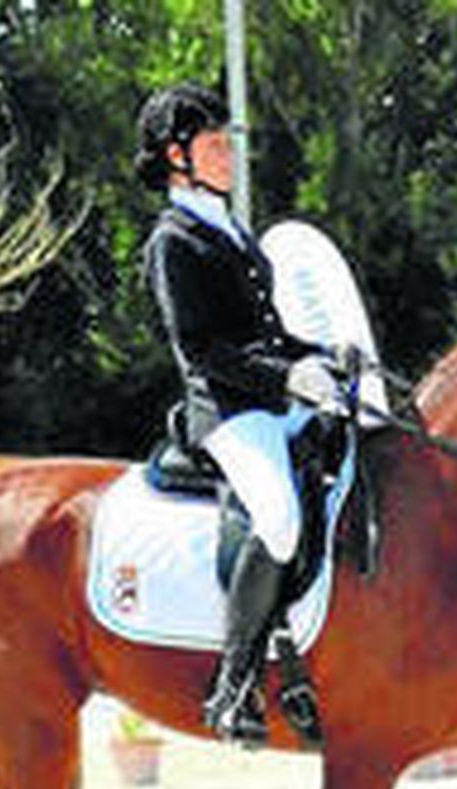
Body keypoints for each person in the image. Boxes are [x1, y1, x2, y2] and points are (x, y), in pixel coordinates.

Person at [135, 82, 342, 745]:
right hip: (227, 414)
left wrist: (325, 358)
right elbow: (203, 348)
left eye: (227, 142)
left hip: (274, 400)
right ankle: (233, 684)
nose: (228, 154)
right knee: (278, 518)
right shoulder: (174, 239)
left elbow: (270, 333)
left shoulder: (229, 227)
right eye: (215, 144)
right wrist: (290, 376)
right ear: (177, 156)